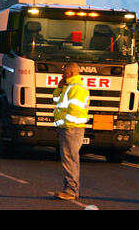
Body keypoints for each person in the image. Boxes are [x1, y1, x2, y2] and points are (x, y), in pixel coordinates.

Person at [52, 62, 90, 200]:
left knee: (70, 160)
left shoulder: (76, 88)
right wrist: (60, 87)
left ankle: (71, 191)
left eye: (64, 73)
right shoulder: (69, 87)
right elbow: (55, 99)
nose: (62, 75)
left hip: (71, 128)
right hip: (69, 127)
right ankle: (70, 189)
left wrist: (64, 124)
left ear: (72, 73)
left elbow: (74, 109)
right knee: (69, 159)